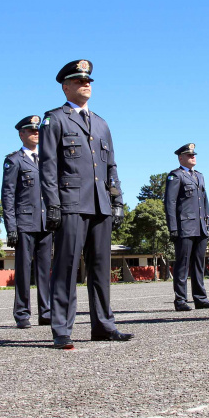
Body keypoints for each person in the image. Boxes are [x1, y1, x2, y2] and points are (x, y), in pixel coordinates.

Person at [39, 60, 132, 349]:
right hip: (71, 204)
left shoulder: (102, 124)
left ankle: (104, 326)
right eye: (79, 81)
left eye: (88, 81)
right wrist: (53, 205)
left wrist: (117, 201)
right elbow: (48, 166)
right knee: (66, 267)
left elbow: (111, 166)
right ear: (66, 87)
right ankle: (62, 330)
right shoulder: (55, 119)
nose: (86, 85)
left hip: (100, 205)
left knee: (101, 268)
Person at [1, 115, 52, 329]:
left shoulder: (48, 159)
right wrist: (10, 227)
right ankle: (22, 314)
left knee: (45, 270)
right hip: (24, 223)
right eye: (31, 131)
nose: (35, 133)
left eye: (37, 130)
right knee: (23, 271)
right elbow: (8, 194)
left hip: (46, 223)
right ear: (21, 134)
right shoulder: (14, 160)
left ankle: (46, 312)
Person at [164, 143, 209, 310]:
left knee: (198, 264)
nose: (193, 157)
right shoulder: (175, 176)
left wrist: (208, 224)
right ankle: (180, 301)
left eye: (194, 154)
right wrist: (173, 227)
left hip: (200, 226)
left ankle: (200, 298)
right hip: (184, 227)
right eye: (189, 155)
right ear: (181, 158)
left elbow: (205, 201)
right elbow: (170, 202)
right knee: (182, 264)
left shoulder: (199, 176)